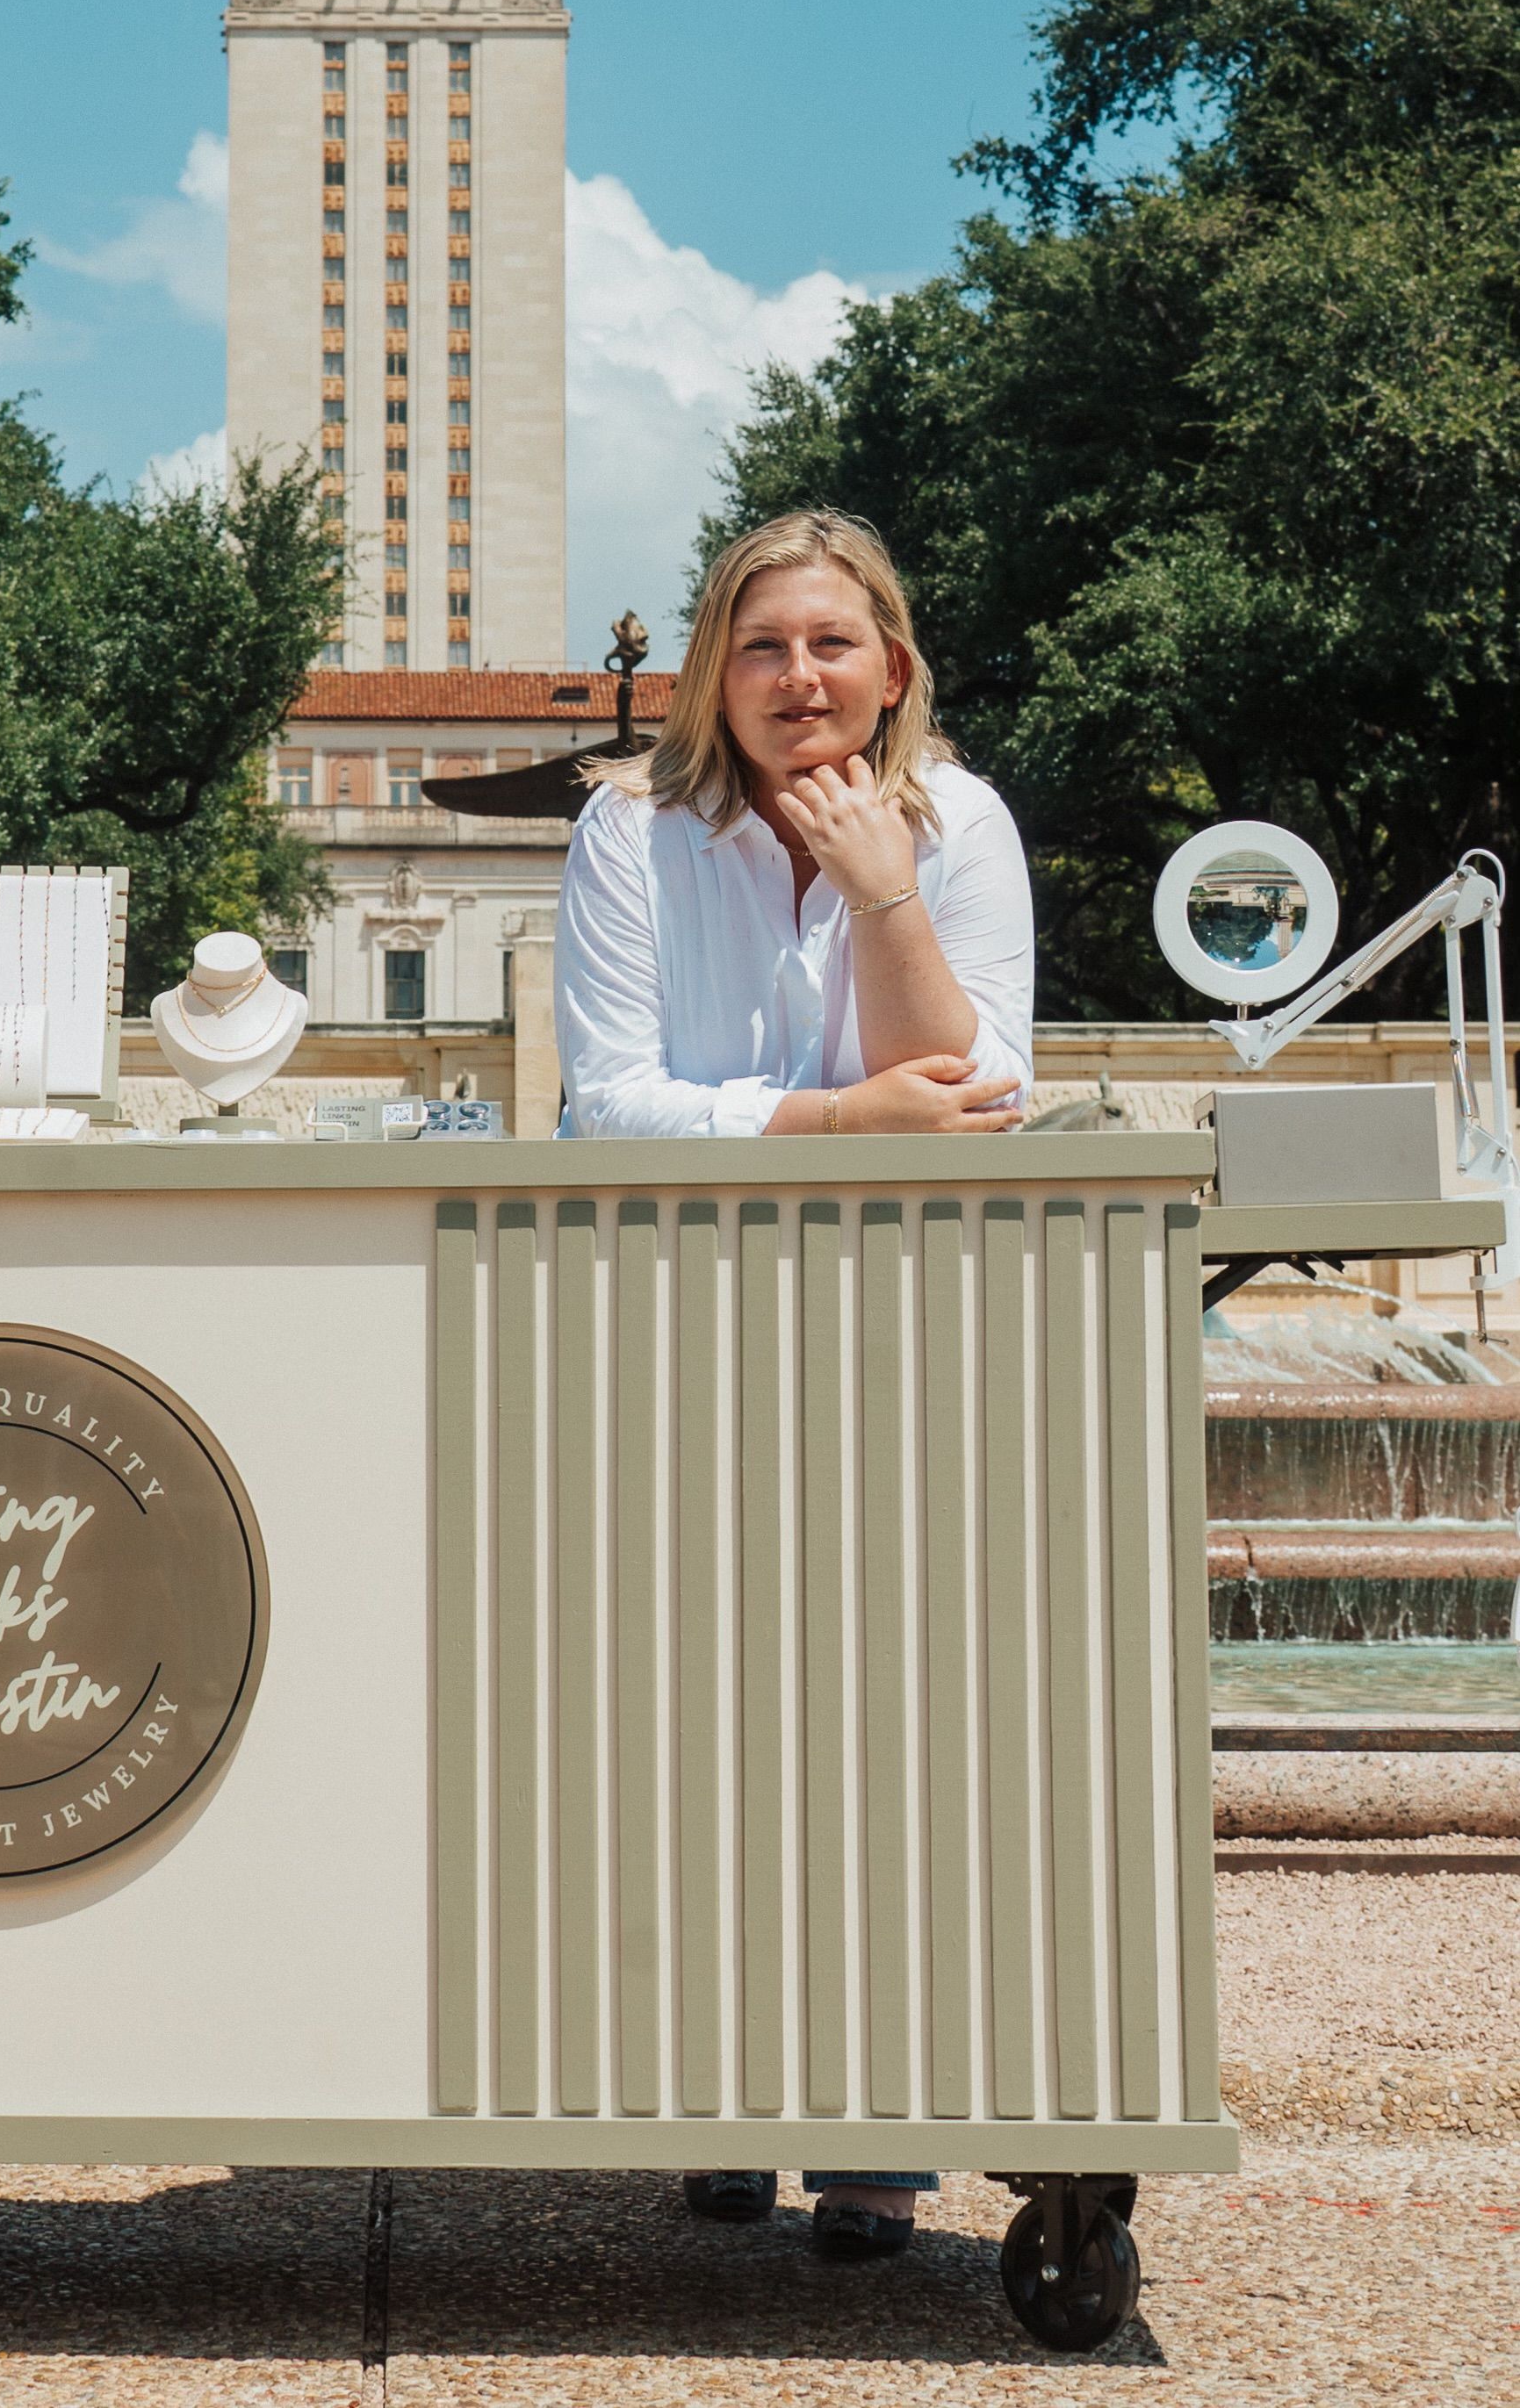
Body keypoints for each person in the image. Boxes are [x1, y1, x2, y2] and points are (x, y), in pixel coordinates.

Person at [554, 508, 1034, 2265]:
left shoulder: (959, 825)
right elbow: (607, 1103)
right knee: (681, 1730)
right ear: (714, 673)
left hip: (894, 1329)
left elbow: (982, 1097)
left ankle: (878, 2138)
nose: (798, 678)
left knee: (883, 1741)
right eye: (762, 648)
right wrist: (838, 1121)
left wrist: (882, 886)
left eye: (832, 643)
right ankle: (711, 2095)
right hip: (668, 1322)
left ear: (891, 664)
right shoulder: (632, 835)